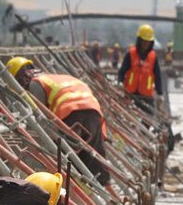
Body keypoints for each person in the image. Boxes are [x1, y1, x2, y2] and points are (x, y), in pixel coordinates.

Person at [7, 56, 110, 185]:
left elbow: (41, 118)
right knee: (92, 158)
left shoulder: (36, 83)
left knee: (67, 160)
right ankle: (104, 196)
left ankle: (68, 194)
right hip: (93, 111)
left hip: (70, 113)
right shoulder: (56, 78)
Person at [118, 24, 164, 113]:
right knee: (128, 116)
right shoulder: (131, 54)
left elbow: (157, 76)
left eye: (148, 41)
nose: (146, 44)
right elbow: (122, 71)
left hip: (146, 96)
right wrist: (120, 81)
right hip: (130, 94)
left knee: (149, 116)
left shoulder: (153, 57)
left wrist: (160, 93)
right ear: (139, 40)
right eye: (144, 41)